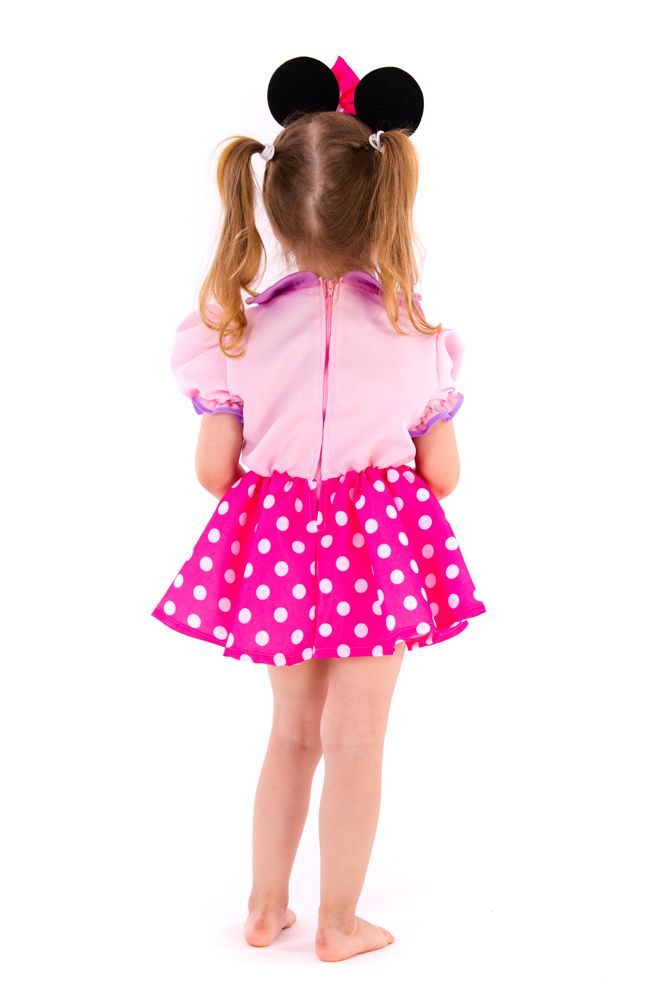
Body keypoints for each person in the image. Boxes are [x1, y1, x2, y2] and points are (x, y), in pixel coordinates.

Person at [151, 54, 487, 962]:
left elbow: (213, 471)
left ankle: (265, 909)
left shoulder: (237, 330)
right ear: (383, 205)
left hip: (277, 549)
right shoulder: (414, 333)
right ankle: (339, 924)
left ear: (273, 208)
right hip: (376, 557)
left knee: (291, 734)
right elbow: (442, 474)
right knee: (358, 738)